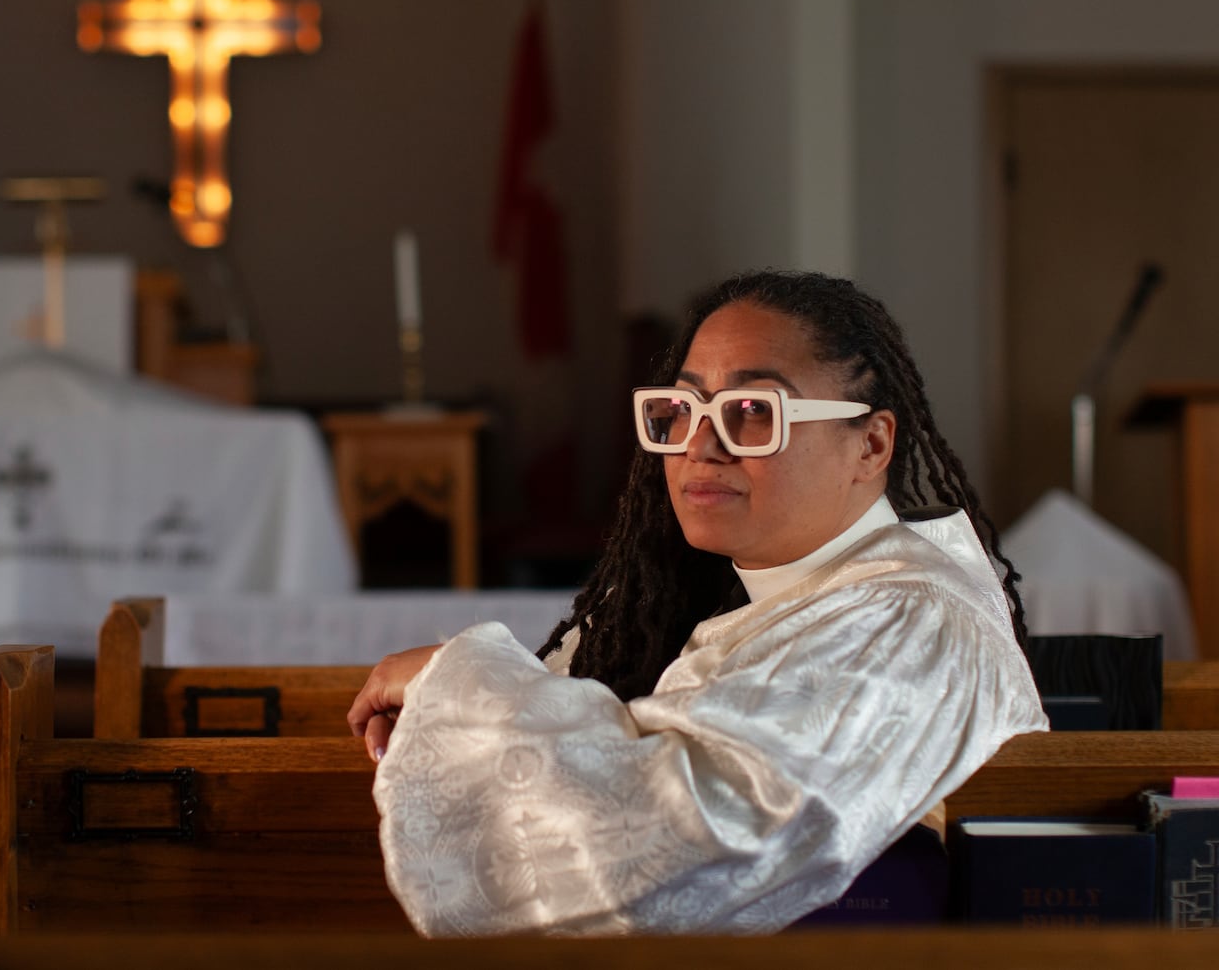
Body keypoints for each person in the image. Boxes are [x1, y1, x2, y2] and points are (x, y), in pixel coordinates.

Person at [348, 269, 1046, 936]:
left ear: (870, 443)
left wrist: (454, 679)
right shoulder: (728, 586)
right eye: (680, 410)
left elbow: (688, 836)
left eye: (750, 411)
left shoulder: (912, 623)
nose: (698, 446)